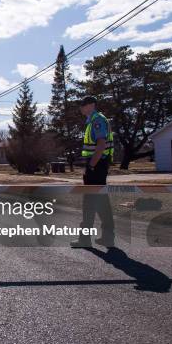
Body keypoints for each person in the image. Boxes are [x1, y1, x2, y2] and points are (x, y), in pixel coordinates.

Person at [71, 96, 115, 248]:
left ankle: (84, 240)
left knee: (89, 201)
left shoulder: (96, 120)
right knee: (102, 200)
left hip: (96, 166)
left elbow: (101, 144)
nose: (81, 108)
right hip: (99, 165)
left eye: (83, 105)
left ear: (91, 105)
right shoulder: (94, 120)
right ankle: (108, 238)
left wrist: (91, 165)